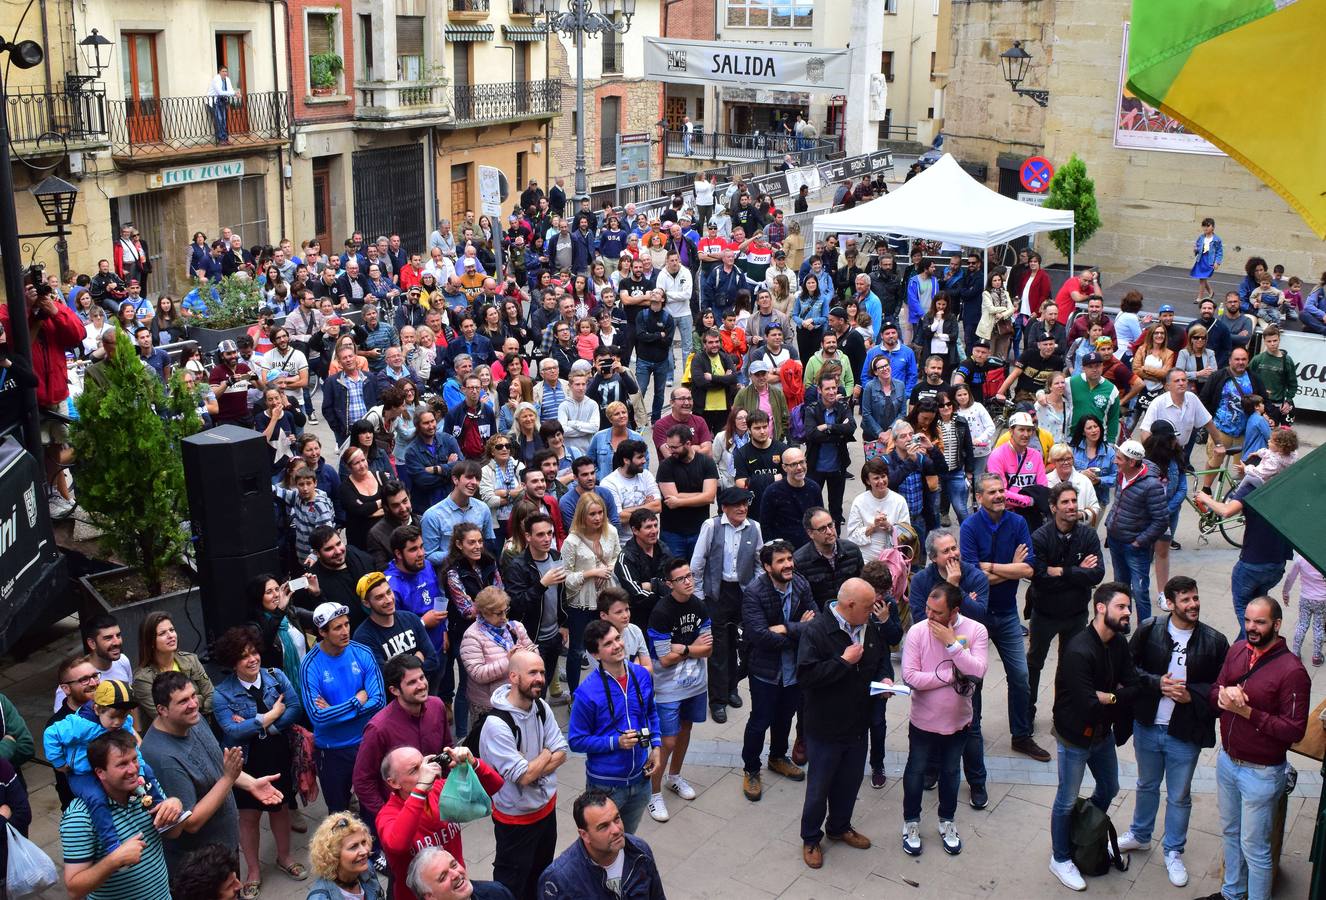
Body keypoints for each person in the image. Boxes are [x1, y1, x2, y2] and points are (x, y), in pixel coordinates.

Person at [1112, 576, 1229, 888]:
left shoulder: (1214, 641)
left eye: (1195, 598)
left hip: (1185, 731)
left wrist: (1194, 693)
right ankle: (1140, 834)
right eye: (1186, 599)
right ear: (1171, 603)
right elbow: (1127, 669)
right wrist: (1156, 683)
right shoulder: (1150, 629)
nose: (1193, 605)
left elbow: (1223, 688)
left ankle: (1174, 850)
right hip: (1148, 724)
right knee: (1146, 784)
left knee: (1179, 795)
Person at [1208, 597, 1310, 900]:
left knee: (1256, 850)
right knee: (1230, 834)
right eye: (1248, 621)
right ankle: (1232, 893)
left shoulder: (1293, 672)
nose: (1251, 628)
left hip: (1261, 774)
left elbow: (1294, 730)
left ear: (1276, 625)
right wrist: (1223, 696)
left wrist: (1248, 712)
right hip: (1227, 762)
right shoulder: (1238, 649)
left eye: (1260, 622)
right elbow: (1215, 690)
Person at [1048, 583, 1142, 892]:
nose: (1127, 612)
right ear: (1101, 608)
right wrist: (1117, 697)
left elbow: (1134, 687)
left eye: (1128, 607)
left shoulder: (1118, 643)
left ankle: (1084, 828)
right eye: (1121, 607)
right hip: (1076, 737)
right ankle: (1060, 857)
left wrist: (1110, 697)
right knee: (1065, 799)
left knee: (1110, 787)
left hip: (1102, 734)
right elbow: (1088, 704)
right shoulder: (1078, 649)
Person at [142, 671, 285, 872]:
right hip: (201, 867)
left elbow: (217, 763)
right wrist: (229, 779)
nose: (193, 704)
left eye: (193, 696)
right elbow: (190, 822)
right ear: (162, 710)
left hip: (224, 850)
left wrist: (251, 783)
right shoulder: (162, 757)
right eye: (183, 701)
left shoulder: (193, 719)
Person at [796, 578, 884, 870]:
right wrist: (843, 662)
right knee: (819, 788)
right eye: (868, 607)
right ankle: (811, 838)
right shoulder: (817, 631)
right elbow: (807, 676)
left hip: (858, 725)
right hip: (825, 727)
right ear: (849, 605)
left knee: (849, 782)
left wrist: (884, 678)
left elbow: (880, 657)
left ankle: (839, 826)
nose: (872, 612)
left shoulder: (867, 627)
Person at [959, 474, 1048, 762]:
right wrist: (1013, 566)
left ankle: (1021, 735)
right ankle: (972, 733)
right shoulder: (970, 527)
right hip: (978, 616)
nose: (999, 495)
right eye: (992, 492)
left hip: (1008, 614)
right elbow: (972, 579)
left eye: (1002, 490)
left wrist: (994, 567)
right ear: (980, 497)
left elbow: (1029, 569)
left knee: (1020, 677)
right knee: (975, 679)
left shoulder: (1018, 522)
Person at [211, 628, 306, 890]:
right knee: (249, 817)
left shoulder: (276, 677)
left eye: (254, 652)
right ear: (233, 662)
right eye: (244, 656)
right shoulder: (222, 694)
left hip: (277, 753)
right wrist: (271, 715)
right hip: (245, 762)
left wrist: (264, 726)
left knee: (281, 808)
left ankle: (284, 857)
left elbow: (296, 708)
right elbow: (231, 731)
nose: (252, 659)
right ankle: (253, 870)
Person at [900, 581, 988, 858]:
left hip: (959, 721)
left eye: (937, 612)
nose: (929, 616)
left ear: (954, 612)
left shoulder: (976, 631)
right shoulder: (916, 632)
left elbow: (977, 671)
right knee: (915, 772)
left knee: (951, 773)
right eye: (927, 608)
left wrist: (951, 645)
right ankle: (911, 823)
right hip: (923, 721)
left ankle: (946, 822)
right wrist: (949, 677)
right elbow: (910, 677)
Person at [479, 648, 570, 900]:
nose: (540, 678)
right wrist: (543, 755)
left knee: (541, 875)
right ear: (514, 677)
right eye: (532, 673)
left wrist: (535, 766)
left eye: (541, 672)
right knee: (511, 886)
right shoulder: (497, 725)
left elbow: (562, 751)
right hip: (515, 821)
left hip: (546, 810)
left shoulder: (540, 706)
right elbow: (524, 777)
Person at [60, 730, 185, 900]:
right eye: (122, 764)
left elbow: (174, 832)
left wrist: (175, 804)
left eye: (134, 759)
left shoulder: (145, 791)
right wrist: (114, 860)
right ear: (100, 772)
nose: (133, 769)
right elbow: (74, 890)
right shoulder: (80, 817)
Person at [567, 620, 662, 834]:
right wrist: (615, 742)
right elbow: (576, 740)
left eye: (618, 638)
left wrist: (656, 746)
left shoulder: (641, 675)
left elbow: (651, 713)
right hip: (605, 787)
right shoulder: (587, 692)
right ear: (596, 654)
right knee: (602, 846)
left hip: (640, 781)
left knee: (626, 840)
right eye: (608, 643)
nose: (617, 645)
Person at [376, 744, 503, 900]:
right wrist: (421, 788)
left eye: (424, 764)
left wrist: (473, 764)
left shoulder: (440, 789)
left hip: (456, 885)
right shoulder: (387, 815)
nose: (426, 772)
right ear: (394, 783)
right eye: (415, 770)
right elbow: (398, 844)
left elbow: (495, 786)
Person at [739, 540, 814, 801]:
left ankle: (777, 757)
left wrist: (786, 628)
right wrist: (797, 632)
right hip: (765, 671)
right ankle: (751, 769)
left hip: (794, 671)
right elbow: (759, 636)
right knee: (760, 721)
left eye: (789, 559)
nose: (788, 565)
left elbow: (814, 624)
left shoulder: (801, 584)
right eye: (781, 561)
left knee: (785, 718)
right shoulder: (754, 592)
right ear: (767, 566)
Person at [1026, 482, 1105, 726]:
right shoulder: (1040, 537)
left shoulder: (1088, 535)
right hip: (1044, 613)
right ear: (1053, 507)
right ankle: (1027, 711)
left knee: (1071, 665)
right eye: (1065, 502)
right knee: (1034, 664)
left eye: (1074, 501)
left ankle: (1064, 710)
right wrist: (1077, 573)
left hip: (1076, 614)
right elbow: (1039, 577)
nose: (1072, 506)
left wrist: (1061, 571)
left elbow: (1097, 574)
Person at [298, 603, 386, 813]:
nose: (346, 631)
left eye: (347, 624)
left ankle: (374, 846)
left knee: (373, 804)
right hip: (332, 751)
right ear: (322, 632)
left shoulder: (362, 652)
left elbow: (379, 700)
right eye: (337, 627)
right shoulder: (310, 664)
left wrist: (335, 710)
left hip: (367, 741)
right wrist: (356, 701)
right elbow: (317, 716)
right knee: (338, 811)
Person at [352, 653, 452, 835]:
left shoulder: (437, 706)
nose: (422, 685)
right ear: (395, 690)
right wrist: (388, 817)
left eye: (422, 677)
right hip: (403, 818)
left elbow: (446, 750)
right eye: (412, 682)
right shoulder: (378, 728)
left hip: (437, 808)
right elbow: (362, 781)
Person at [645, 557, 712, 823]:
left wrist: (681, 648)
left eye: (690, 576)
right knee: (667, 740)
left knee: (686, 730)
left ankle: (674, 777)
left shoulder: (700, 605)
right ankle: (653, 793)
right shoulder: (662, 612)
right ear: (669, 584)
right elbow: (664, 658)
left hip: (695, 684)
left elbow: (708, 647)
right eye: (681, 578)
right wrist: (690, 647)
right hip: (667, 686)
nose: (688, 581)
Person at [691, 487, 763, 723]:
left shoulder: (754, 527)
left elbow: (759, 563)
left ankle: (732, 689)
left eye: (745, 504)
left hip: (742, 594)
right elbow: (697, 563)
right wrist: (700, 597)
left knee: (739, 646)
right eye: (737, 505)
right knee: (719, 649)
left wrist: (754, 591)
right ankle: (718, 701)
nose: (742, 508)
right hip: (718, 594)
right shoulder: (711, 527)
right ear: (724, 508)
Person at [1103, 439, 1169, 623]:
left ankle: (1144, 629)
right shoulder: (1122, 473)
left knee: (1140, 591)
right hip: (1116, 540)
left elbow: (1162, 520)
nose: (1115, 461)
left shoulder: (1152, 486)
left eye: (1119, 458)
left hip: (1134, 546)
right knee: (1121, 586)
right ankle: (1123, 623)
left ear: (1132, 462)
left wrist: (1139, 541)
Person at [131, 612, 215, 727]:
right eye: (162, 633)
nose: (171, 635)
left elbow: (211, 696)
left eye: (172, 630)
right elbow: (163, 717)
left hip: (203, 724)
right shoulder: (143, 679)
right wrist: (199, 699)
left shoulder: (191, 660)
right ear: (150, 642)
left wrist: (182, 706)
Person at [304, 813, 385, 900]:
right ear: (333, 856)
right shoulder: (321, 897)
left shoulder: (367, 867)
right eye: (353, 847)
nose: (365, 851)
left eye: (364, 842)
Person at [757, 447, 822, 549]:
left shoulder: (814, 488)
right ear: (784, 467)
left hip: (811, 549)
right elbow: (765, 526)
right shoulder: (772, 492)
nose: (799, 467)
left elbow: (820, 519)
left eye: (802, 462)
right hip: (784, 551)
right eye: (793, 464)